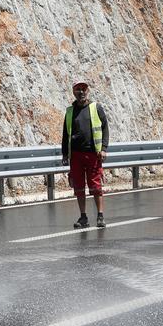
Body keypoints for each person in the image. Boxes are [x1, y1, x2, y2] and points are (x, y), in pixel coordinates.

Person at [62, 79, 111, 228]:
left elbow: (105, 128)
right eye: (78, 89)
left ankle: (100, 215)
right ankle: (83, 217)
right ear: (73, 92)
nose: (81, 92)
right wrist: (65, 154)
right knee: (78, 187)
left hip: (92, 153)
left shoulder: (96, 108)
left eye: (83, 89)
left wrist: (103, 148)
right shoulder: (70, 111)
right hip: (76, 155)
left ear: (88, 90)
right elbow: (65, 134)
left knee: (95, 186)